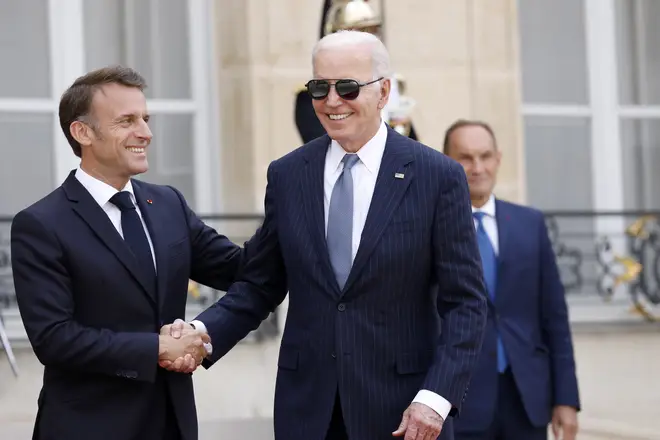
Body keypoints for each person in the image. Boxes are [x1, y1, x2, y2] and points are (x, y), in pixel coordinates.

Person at [165, 31, 488, 440]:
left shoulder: (437, 177)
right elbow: (260, 284)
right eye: (320, 87)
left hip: (405, 414)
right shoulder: (288, 174)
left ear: (383, 91)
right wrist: (201, 334)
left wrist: (436, 397)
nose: (332, 101)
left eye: (348, 88)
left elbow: (466, 303)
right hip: (309, 411)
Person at [10, 65, 255, 440]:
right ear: (83, 132)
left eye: (145, 118)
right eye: (127, 121)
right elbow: (55, 339)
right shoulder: (41, 224)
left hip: (173, 423)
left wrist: (295, 213)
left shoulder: (168, 203)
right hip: (88, 427)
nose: (145, 132)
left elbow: (242, 269)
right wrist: (158, 347)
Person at [442, 119, 580, 440]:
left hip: (526, 399)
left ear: (498, 159)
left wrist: (566, 398)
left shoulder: (529, 223)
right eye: (465, 157)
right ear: (446, 160)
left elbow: (554, 319)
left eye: (485, 156)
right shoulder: (432, 225)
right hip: (458, 402)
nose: (477, 167)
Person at [295, 0, 420, 143]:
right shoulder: (309, 97)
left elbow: (410, 146)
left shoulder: (387, 87)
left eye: (372, 31)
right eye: (359, 32)